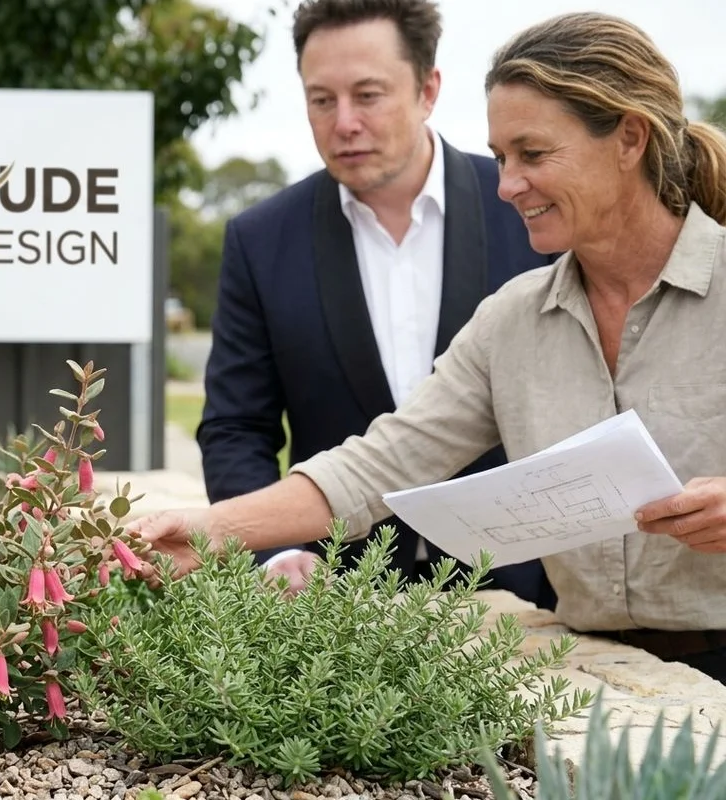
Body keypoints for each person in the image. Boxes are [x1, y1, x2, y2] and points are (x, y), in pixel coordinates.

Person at [133, 10, 726, 685]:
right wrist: (210, 530)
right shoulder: (513, 319)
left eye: (532, 155)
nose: (507, 186)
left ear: (629, 138)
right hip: (593, 680)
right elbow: (377, 465)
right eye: (501, 158)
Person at [196, 0, 555, 606]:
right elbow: (236, 427)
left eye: (368, 95)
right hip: (334, 604)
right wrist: (276, 553)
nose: (344, 123)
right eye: (321, 100)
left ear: (428, 89)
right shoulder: (259, 240)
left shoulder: (529, 211)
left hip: (522, 591)